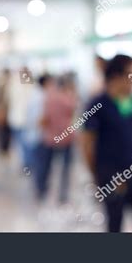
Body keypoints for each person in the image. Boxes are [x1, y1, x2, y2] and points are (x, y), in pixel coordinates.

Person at [82, 54, 132, 232]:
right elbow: (86, 144)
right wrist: (100, 177)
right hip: (112, 175)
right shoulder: (97, 105)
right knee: (115, 224)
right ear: (116, 77)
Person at [35, 74, 76, 203]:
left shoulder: (49, 98)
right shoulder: (69, 99)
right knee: (65, 168)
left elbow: (44, 119)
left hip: (50, 137)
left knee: (45, 166)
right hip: (66, 137)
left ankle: (42, 190)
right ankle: (62, 195)